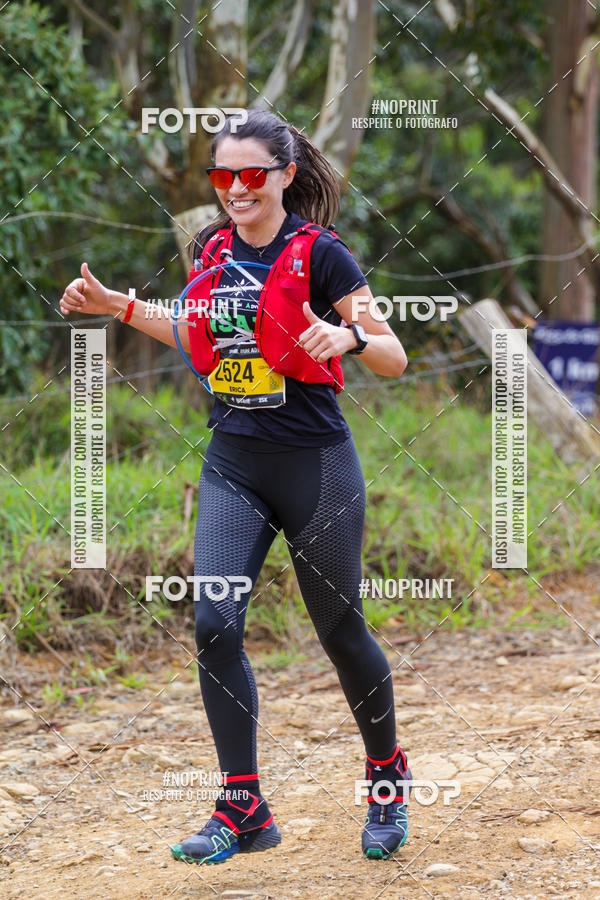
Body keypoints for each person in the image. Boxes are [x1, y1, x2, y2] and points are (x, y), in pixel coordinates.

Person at [60, 109, 411, 866]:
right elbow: (194, 334)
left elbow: (394, 354)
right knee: (214, 624)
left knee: (341, 634)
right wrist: (118, 306)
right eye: (225, 175)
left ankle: (386, 777)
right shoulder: (212, 251)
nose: (237, 188)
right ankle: (243, 805)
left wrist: (348, 334)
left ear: (285, 174)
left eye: (253, 173)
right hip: (234, 463)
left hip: (316, 466)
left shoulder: (322, 256)